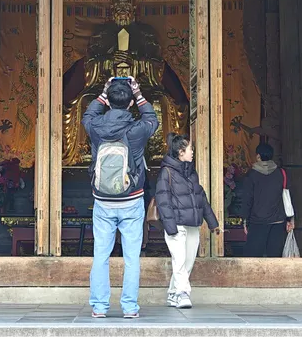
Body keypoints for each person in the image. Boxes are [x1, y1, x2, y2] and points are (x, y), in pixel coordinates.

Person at [82, 76, 159, 319]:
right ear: (130, 104)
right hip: (132, 199)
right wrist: (139, 94)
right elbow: (152, 119)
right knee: (131, 257)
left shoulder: (96, 127)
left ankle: (99, 307)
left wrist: (103, 92)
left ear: (108, 101)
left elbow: (87, 115)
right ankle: (130, 307)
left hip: (103, 201)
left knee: (101, 255)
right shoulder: (137, 130)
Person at [155, 133, 220, 310]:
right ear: (181, 152)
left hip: (193, 224)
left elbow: (201, 197)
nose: (193, 152)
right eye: (190, 148)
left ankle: (172, 293)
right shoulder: (166, 172)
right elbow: (163, 201)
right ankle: (182, 293)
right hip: (176, 224)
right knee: (180, 260)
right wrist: (170, 228)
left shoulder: (192, 173)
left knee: (188, 261)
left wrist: (212, 223)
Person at [241, 142, 295, 257]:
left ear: (258, 156)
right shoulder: (281, 173)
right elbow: (287, 197)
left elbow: (247, 200)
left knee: (253, 258)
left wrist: (245, 220)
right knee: (275, 258)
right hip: (278, 222)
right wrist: (290, 219)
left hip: (257, 222)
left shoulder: (251, 175)